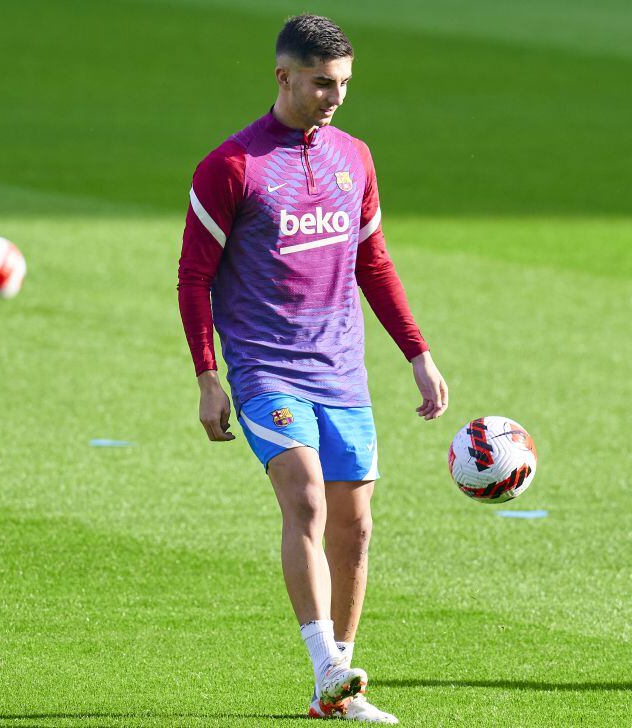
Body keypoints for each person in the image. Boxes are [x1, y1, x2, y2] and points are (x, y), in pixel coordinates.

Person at [177, 14, 448, 723]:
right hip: (266, 369)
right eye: (323, 83)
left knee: (354, 527)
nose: (335, 97)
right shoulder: (231, 167)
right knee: (305, 498)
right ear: (284, 77)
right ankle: (327, 663)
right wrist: (208, 377)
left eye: (345, 84)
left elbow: (373, 261)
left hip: (342, 371)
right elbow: (193, 278)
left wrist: (417, 354)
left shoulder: (354, 157)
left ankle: (337, 692)